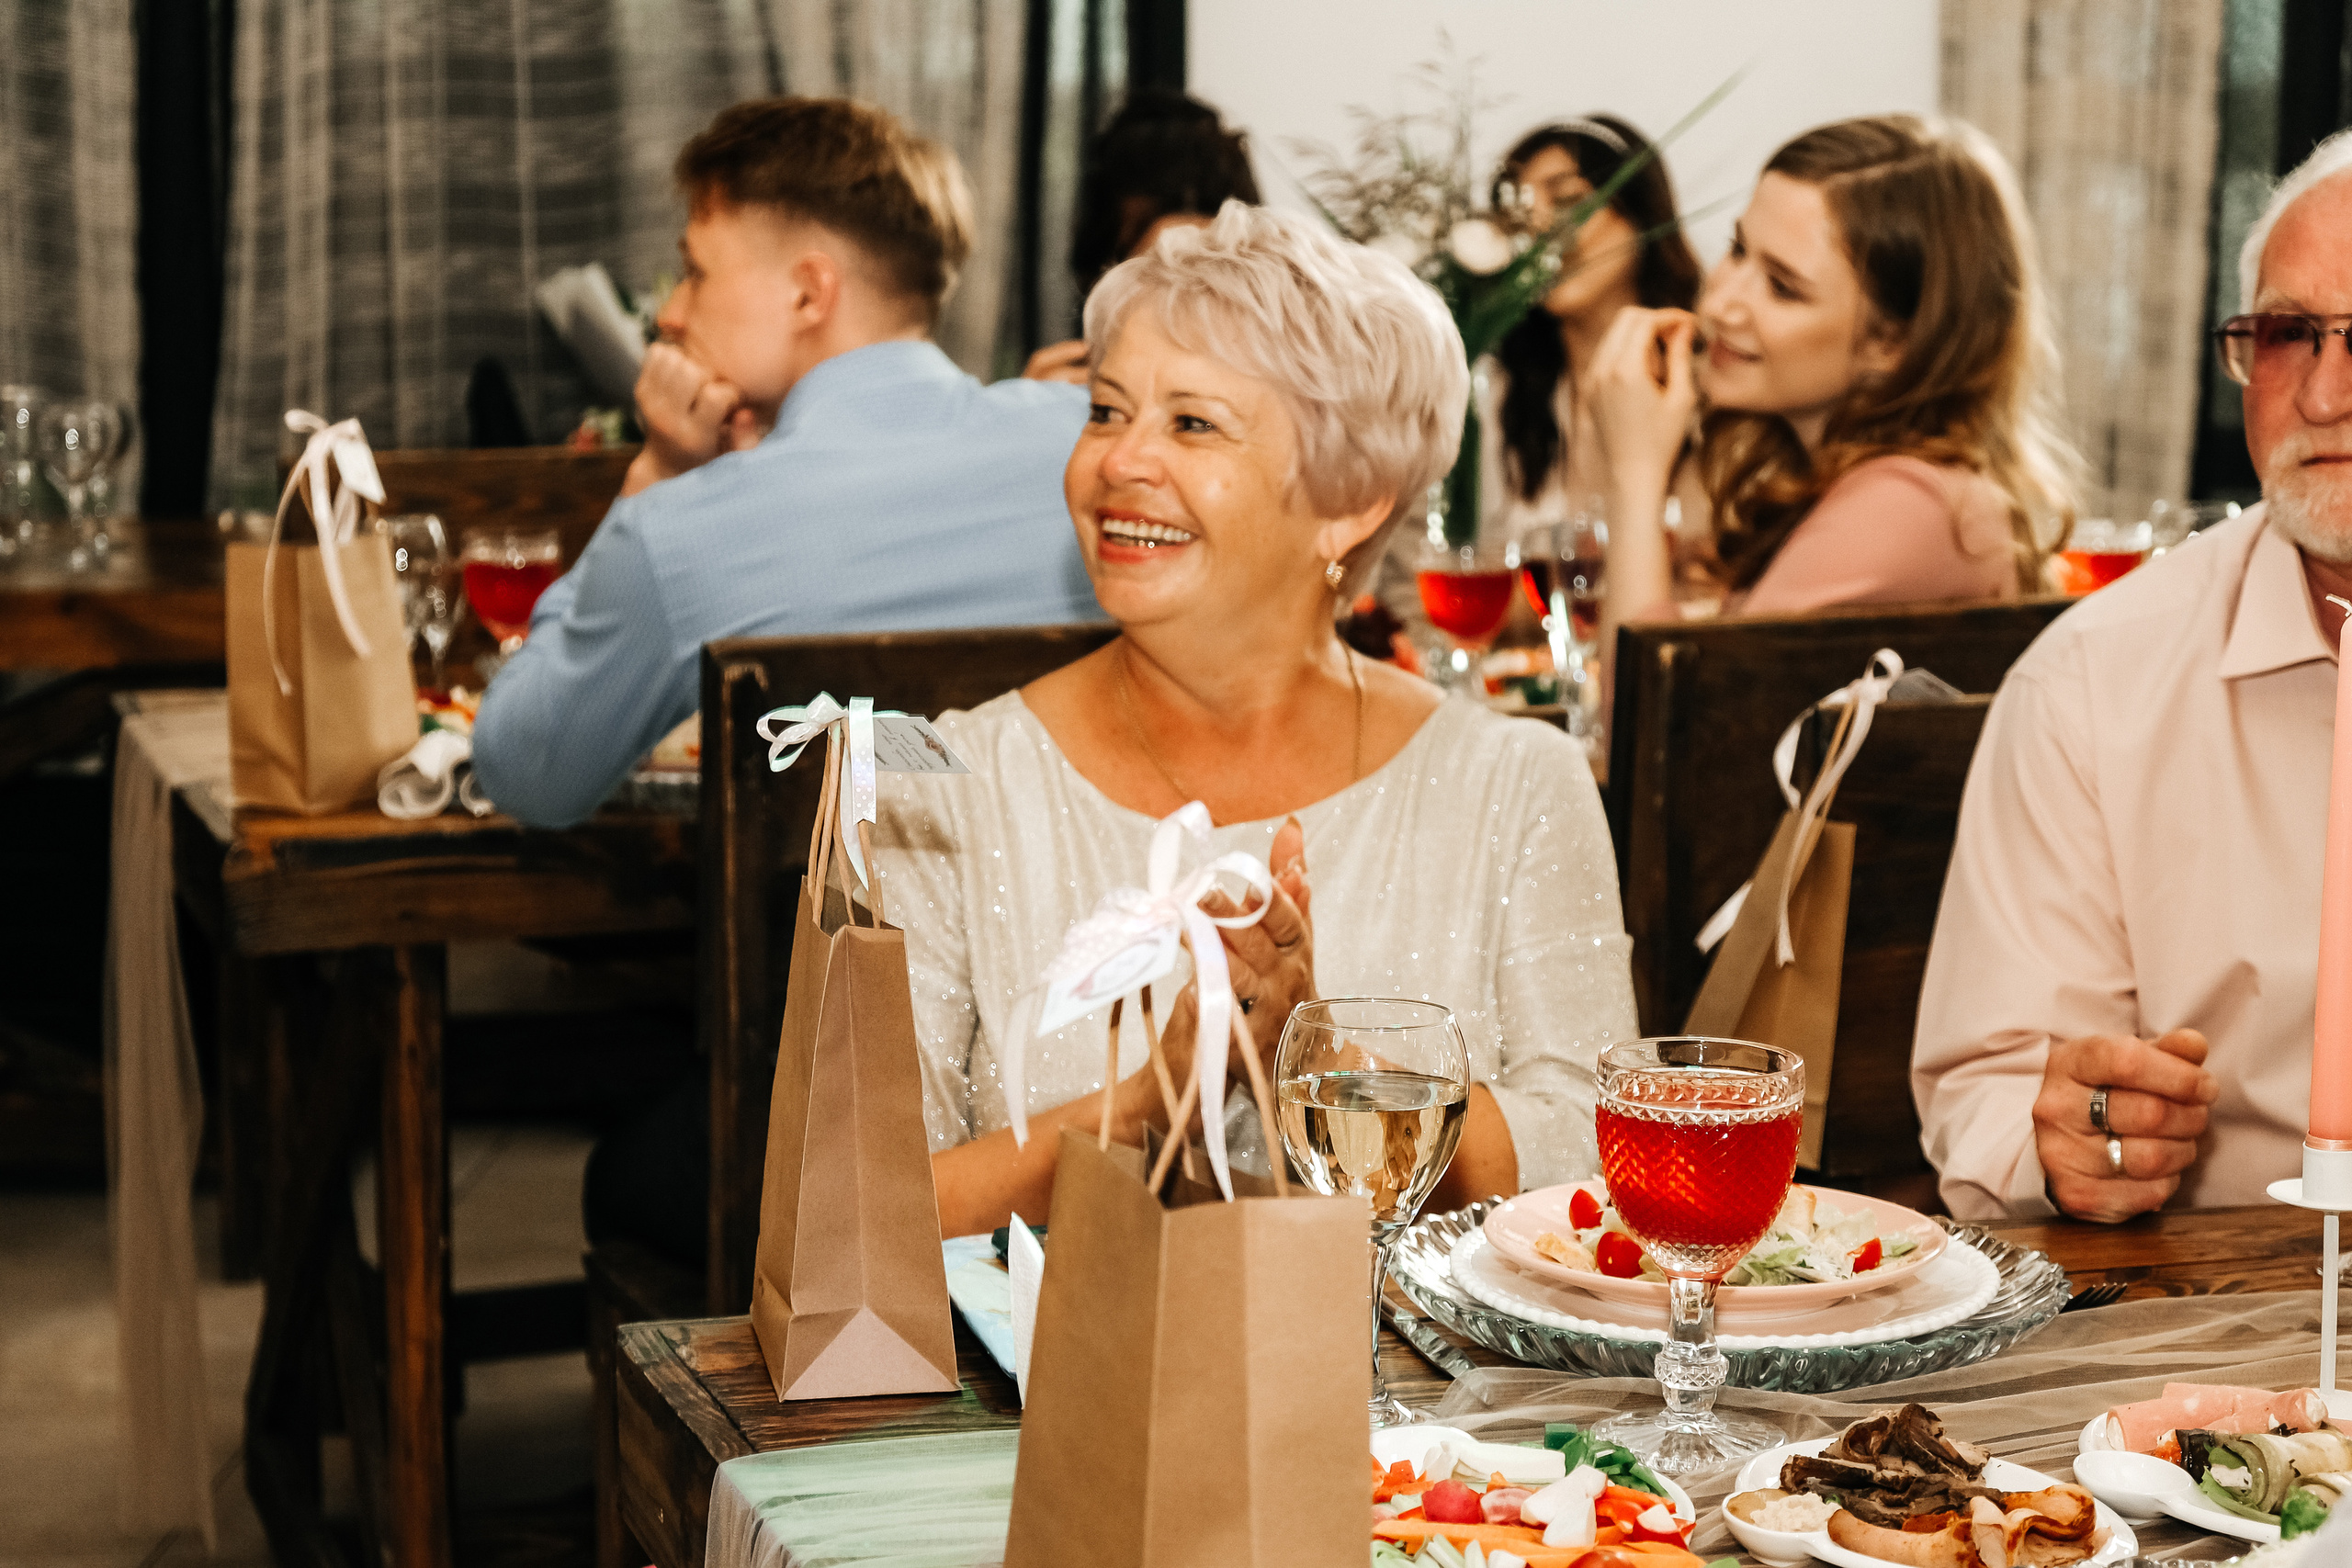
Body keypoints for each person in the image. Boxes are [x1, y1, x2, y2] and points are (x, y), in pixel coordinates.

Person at [880, 202, 1639, 1235]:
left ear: (1351, 497)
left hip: (1447, 1393)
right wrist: (1154, 1104)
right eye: (1105, 411)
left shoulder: (1512, 783)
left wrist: (1322, 1070)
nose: (1118, 462)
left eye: (1190, 424)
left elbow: (1598, 1166)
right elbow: (871, 1216)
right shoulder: (949, 787)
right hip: (1042, 1393)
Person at [1912, 128, 2352, 1222]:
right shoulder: (2093, 685)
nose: (2324, 394)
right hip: (2221, 1313)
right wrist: (2071, 1141)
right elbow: (1993, 1093)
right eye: (2287, 335)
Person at [471, 97, 1102, 827]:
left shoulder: (683, 535)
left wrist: (654, 479)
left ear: (809, 292)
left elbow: (527, 773)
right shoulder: (1096, 453)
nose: (671, 313)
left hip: (817, 941)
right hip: (1099, 930)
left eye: (695, 272)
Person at [1586, 115, 2079, 630]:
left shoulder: (1905, 503)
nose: (1720, 303)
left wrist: (1636, 473)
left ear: (1891, 343)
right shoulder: (1874, 480)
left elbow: (1649, 708)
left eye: (1782, 287)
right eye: (1736, 250)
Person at [1480, 116, 1704, 537]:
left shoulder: (1706, 383)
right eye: (1520, 217)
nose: (1542, 231)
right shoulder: (1501, 396)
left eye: (1569, 202)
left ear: (1640, 212)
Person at [1022, 89, 1261, 386]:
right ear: (1104, 281)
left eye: (1213, 273)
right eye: (1159, 273)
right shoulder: (1061, 400)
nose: (1185, 303)